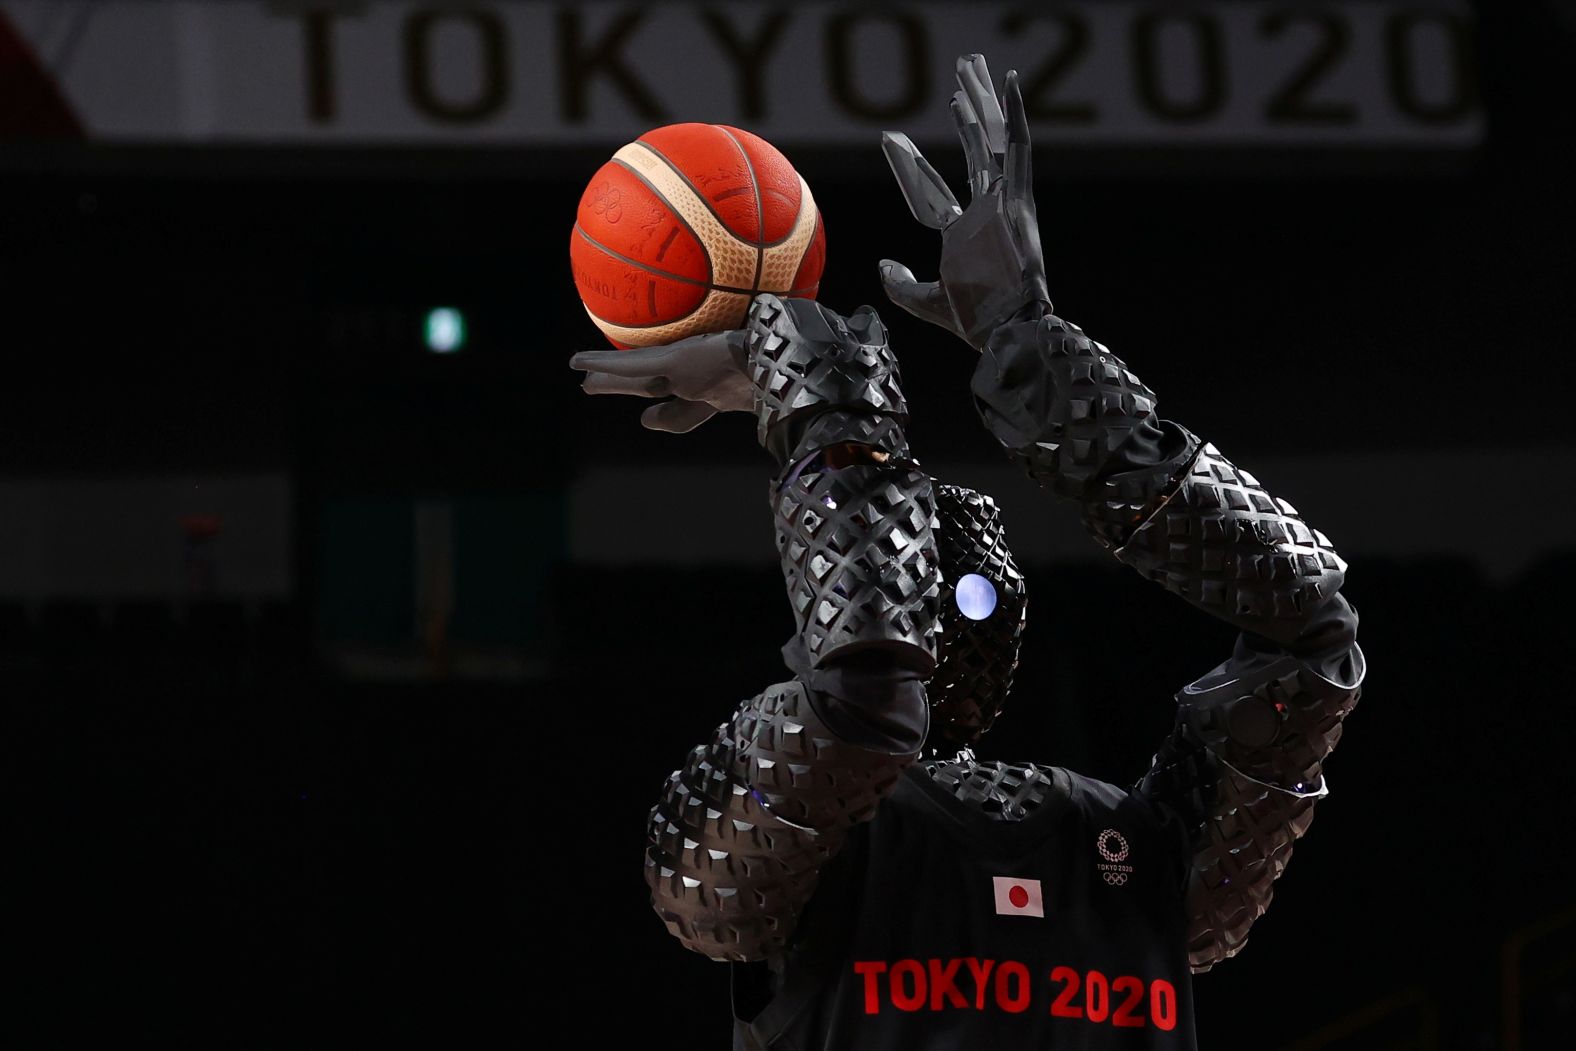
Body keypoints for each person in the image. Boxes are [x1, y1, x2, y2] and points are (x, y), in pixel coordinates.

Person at [569, 55, 1364, 1051]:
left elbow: (1312, 640)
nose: (940, 613)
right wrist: (887, 372)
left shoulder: (1137, 859)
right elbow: (862, 706)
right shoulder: (775, 833)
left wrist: (871, 373)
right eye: (913, 587)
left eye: (962, 590)